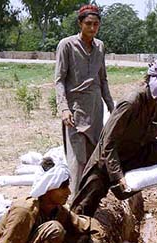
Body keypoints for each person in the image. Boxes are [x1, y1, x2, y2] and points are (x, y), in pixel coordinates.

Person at [71, 59, 157, 218]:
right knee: (83, 207)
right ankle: (76, 236)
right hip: (109, 159)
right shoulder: (131, 102)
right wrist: (118, 176)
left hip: (141, 151)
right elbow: (108, 143)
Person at [55, 4, 115, 196]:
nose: (92, 28)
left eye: (96, 24)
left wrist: (112, 108)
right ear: (80, 24)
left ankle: (89, 203)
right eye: (88, 24)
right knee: (77, 161)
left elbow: (103, 79)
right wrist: (64, 108)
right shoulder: (66, 45)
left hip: (95, 111)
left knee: (93, 160)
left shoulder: (100, 47)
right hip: (75, 112)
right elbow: (59, 80)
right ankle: (72, 207)